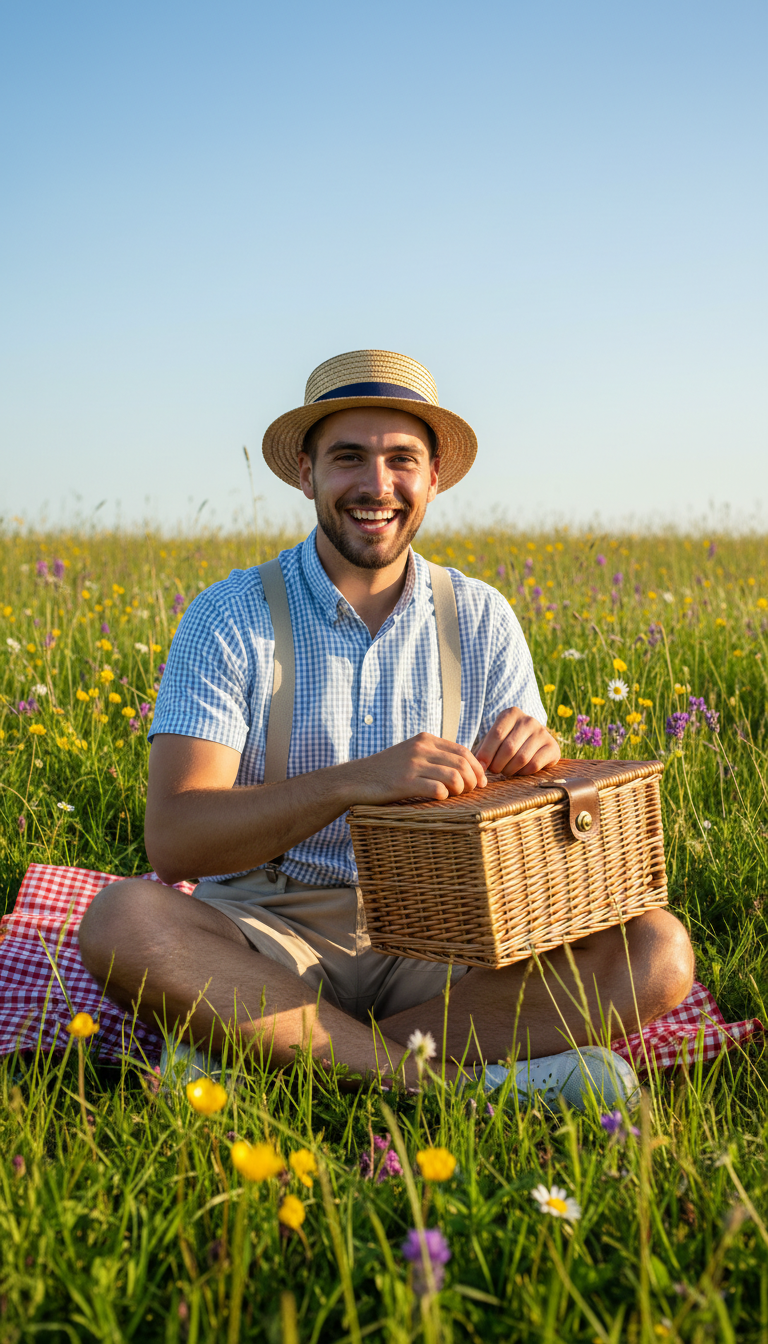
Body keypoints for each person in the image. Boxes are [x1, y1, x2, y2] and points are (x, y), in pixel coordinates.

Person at [78, 348, 694, 1107]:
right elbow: (175, 839)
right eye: (348, 458)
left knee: (656, 948)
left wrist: (539, 771)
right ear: (306, 474)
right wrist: (354, 782)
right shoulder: (231, 616)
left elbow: (525, 841)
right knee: (122, 917)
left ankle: (284, 1052)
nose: (377, 485)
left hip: (450, 936)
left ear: (433, 476)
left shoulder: (480, 618)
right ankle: (447, 1088)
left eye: (402, 459)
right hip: (268, 926)